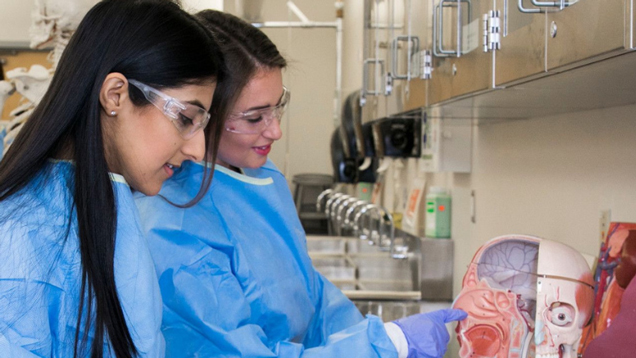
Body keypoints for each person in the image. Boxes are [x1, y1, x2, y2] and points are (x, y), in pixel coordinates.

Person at [135, 9, 466, 358]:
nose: (275, 130)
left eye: (278, 108)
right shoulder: (172, 223)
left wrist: (374, 339)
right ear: (202, 115)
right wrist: (385, 345)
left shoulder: (262, 180)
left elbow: (313, 299)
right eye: (254, 117)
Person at [0, 0, 225, 357]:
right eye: (185, 118)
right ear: (115, 95)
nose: (198, 150)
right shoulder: (19, 240)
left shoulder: (106, 206)